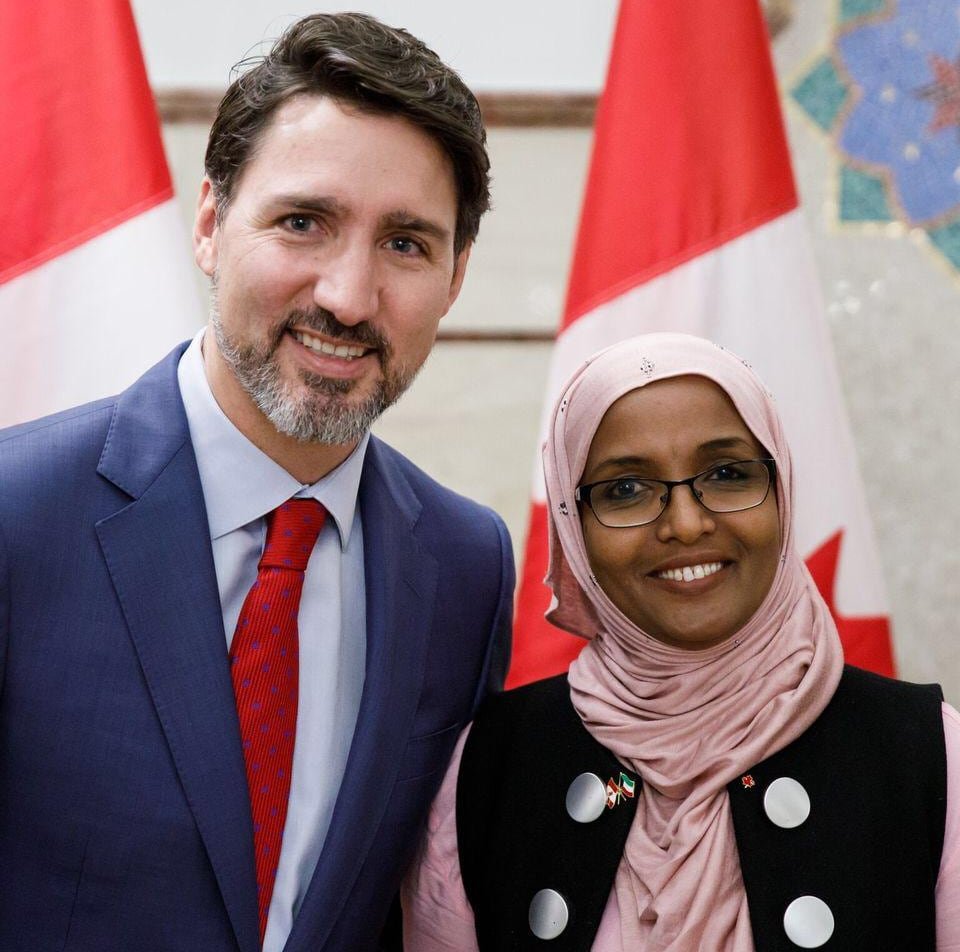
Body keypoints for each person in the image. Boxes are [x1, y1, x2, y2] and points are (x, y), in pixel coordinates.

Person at [0, 13, 513, 952]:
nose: (347, 298)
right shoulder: (15, 512)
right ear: (209, 224)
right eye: (302, 222)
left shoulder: (467, 567)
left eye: (406, 243)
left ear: (456, 275)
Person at [403, 332, 960, 951]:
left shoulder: (931, 755)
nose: (687, 523)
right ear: (573, 526)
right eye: (625, 489)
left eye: (727, 474)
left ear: (782, 489)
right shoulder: (489, 766)